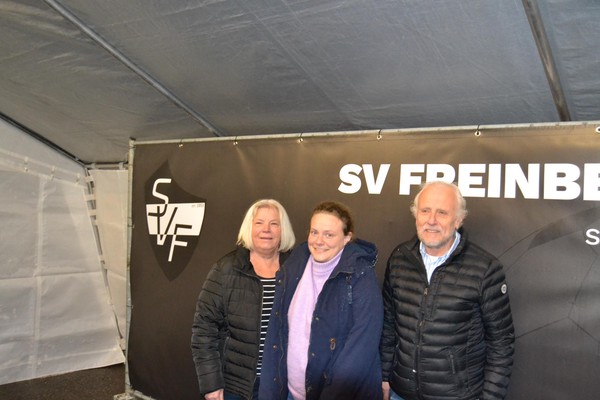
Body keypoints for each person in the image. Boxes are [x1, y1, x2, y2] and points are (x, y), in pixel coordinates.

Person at [380, 181, 515, 400]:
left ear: (458, 220)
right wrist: (385, 376)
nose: (431, 220)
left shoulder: (485, 269)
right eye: (425, 211)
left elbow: (501, 344)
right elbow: (388, 325)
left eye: (442, 212)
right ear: (416, 215)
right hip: (400, 393)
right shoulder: (399, 259)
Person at [260, 201, 383, 400]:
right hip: (292, 393)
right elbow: (277, 333)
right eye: (314, 232)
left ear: (347, 238)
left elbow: (361, 348)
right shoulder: (294, 265)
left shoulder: (361, 276)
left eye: (329, 234)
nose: (319, 241)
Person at [191, 199, 296, 400]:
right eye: (259, 223)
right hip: (237, 387)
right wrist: (211, 384)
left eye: (274, 223)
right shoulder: (225, 269)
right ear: (249, 228)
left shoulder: (296, 269)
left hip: (284, 386)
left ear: (283, 230)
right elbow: (204, 329)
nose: (266, 229)